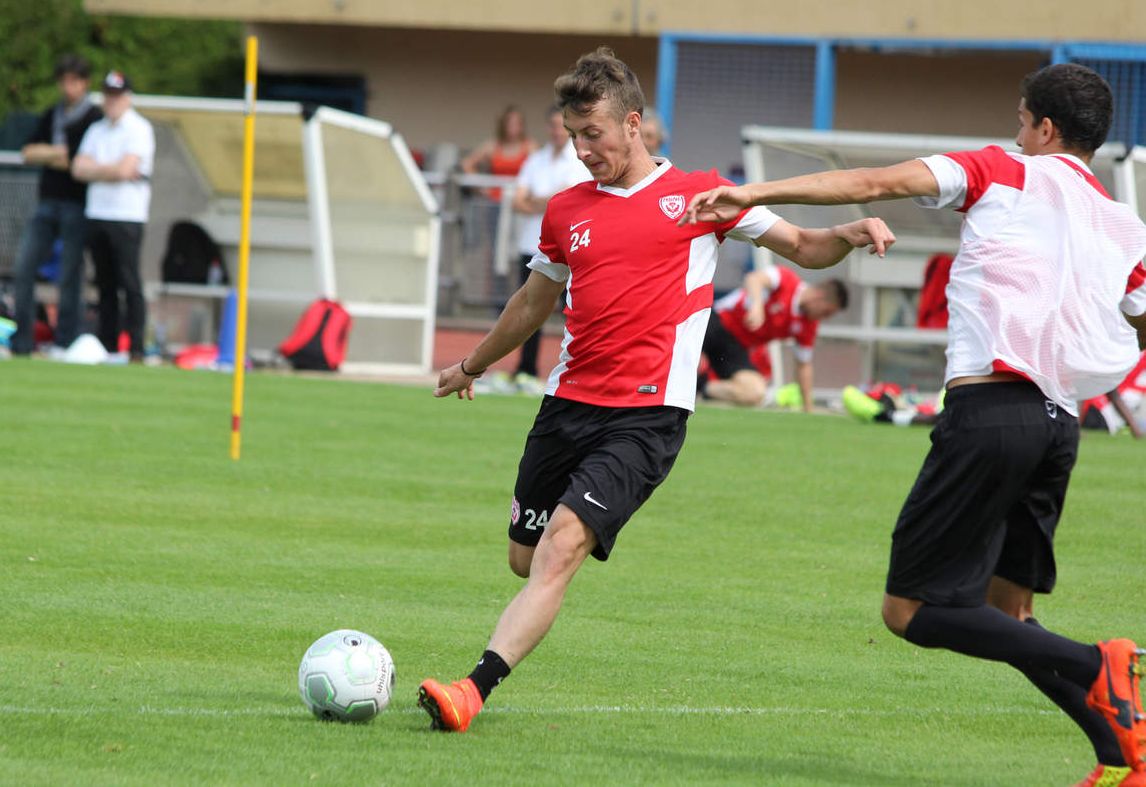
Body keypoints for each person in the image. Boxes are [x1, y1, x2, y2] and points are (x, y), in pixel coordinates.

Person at [682, 63, 1146, 786]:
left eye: (1021, 120)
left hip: (990, 412)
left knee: (908, 611)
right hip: (1060, 428)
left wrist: (754, 191)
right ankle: (1123, 755)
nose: (1013, 133)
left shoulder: (1001, 169)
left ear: (1045, 129)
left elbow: (873, 184)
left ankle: (1096, 662)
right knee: (1009, 614)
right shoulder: (1124, 224)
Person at [417, 46, 894, 733]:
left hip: (646, 416)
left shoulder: (703, 195)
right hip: (567, 405)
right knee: (523, 558)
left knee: (561, 546)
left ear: (632, 124)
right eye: (574, 135)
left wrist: (847, 234)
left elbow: (805, 247)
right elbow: (531, 303)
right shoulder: (564, 212)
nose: (582, 150)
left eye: (594, 135)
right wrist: (472, 365)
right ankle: (537, 583)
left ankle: (473, 689)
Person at [10, 54, 103, 355]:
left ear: (84, 83)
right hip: (46, 202)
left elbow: (77, 163)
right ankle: (22, 340)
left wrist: (51, 154)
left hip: (76, 204)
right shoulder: (53, 114)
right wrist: (58, 153)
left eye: (73, 81)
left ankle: (65, 341)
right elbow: (28, 152)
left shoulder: (94, 118)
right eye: (63, 81)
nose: (68, 87)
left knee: (69, 275)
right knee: (24, 267)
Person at [503, 105, 591, 393]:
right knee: (530, 309)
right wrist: (546, 201)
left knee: (576, 311)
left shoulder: (577, 160)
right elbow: (517, 201)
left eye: (560, 125)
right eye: (552, 125)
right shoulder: (536, 160)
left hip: (567, 248)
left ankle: (578, 372)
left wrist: (537, 201)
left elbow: (563, 199)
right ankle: (525, 369)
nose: (556, 130)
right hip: (532, 244)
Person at [71, 71, 155, 360]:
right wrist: (111, 170)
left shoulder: (139, 128)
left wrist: (100, 170)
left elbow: (126, 169)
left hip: (127, 215)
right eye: (108, 95)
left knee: (129, 282)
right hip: (98, 212)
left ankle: (136, 347)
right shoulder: (97, 129)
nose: (111, 101)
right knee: (104, 283)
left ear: (127, 98)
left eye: (116, 96)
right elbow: (79, 168)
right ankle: (107, 345)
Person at [701, 265, 847, 410]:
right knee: (684, 358)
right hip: (716, 322)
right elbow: (753, 278)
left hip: (735, 348)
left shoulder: (809, 325)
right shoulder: (787, 280)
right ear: (819, 296)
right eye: (827, 312)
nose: (825, 318)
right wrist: (757, 305)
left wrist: (808, 408)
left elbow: (804, 365)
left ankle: (700, 386)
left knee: (756, 392)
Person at [460, 105, 537, 201]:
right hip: (495, 201)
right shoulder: (493, 146)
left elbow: (540, 170)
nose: (514, 127)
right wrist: (481, 187)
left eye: (517, 123)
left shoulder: (529, 146)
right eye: (510, 123)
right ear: (503, 124)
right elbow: (467, 164)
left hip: (520, 200)